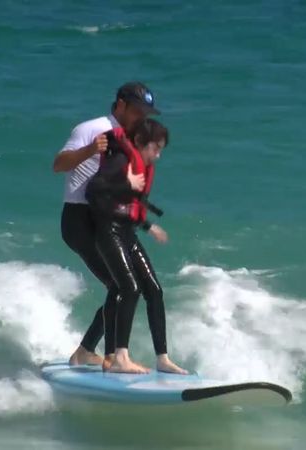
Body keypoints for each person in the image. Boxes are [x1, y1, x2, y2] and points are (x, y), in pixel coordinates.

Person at [53, 82, 160, 366]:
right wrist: (90, 150)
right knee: (121, 285)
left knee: (126, 286)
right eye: (137, 111)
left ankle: (90, 351)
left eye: (146, 113)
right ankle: (108, 356)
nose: (142, 117)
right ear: (121, 105)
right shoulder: (91, 128)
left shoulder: (133, 138)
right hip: (79, 218)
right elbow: (59, 164)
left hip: (109, 220)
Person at [85, 118, 187, 374]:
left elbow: (129, 207)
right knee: (129, 289)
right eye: (155, 148)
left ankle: (162, 359)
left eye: (161, 149)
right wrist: (125, 184)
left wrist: (148, 226)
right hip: (108, 233)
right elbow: (94, 190)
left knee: (153, 290)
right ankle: (120, 357)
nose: (158, 155)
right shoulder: (120, 160)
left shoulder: (139, 163)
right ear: (140, 143)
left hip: (126, 233)